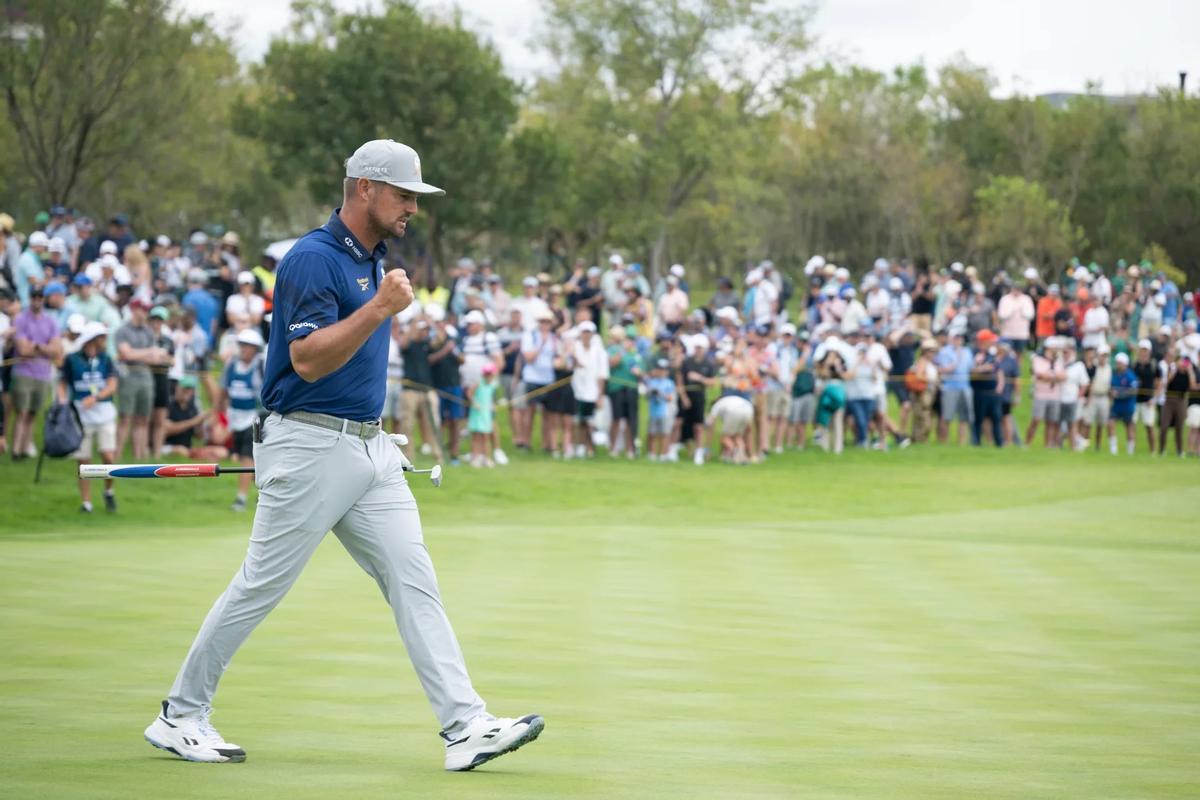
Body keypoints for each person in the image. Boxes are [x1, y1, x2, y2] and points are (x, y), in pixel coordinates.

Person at [144, 140, 542, 771]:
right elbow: (306, 359)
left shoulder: (371, 260)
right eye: (405, 195)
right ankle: (180, 715)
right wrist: (381, 308)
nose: (413, 207)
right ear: (366, 188)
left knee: (415, 582)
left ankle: (465, 726)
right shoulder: (312, 258)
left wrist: (380, 302)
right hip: (306, 442)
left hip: (370, 447)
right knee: (260, 587)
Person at [59, 322, 119, 512]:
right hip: (81, 417)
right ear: (92, 339)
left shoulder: (106, 359)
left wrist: (96, 397)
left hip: (104, 414)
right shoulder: (72, 359)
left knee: (108, 457)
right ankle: (86, 502)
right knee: (84, 461)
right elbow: (63, 383)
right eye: (102, 337)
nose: (105, 341)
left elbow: (111, 385)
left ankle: (109, 491)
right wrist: (62, 402)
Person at [11, 286, 62, 459]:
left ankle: (25, 448)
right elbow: (22, 349)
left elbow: (56, 349)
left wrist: (38, 346)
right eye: (34, 297)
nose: (37, 300)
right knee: (22, 412)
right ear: (30, 298)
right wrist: (43, 348)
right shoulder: (21, 319)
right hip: (24, 372)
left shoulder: (50, 321)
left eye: (40, 297)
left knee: (33, 412)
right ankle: (16, 449)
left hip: (42, 373)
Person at [220, 328, 265, 511]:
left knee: (247, 458)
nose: (245, 349)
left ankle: (240, 498)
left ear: (256, 349)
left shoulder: (261, 366)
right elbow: (223, 391)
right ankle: (264, 492)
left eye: (249, 346)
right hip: (235, 418)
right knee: (251, 462)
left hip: (255, 418)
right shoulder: (231, 365)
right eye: (242, 345)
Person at [115, 298, 161, 460]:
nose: (145, 312)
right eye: (143, 308)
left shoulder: (148, 331)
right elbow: (125, 354)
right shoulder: (123, 330)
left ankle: (138, 456)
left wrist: (137, 354)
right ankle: (117, 455)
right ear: (134, 309)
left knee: (142, 418)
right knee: (125, 417)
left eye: (147, 309)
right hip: (128, 376)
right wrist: (147, 352)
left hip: (146, 376)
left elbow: (155, 358)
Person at [161, 376, 226, 460]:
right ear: (177, 388)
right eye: (185, 389)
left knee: (222, 451)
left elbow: (199, 436)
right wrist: (195, 421)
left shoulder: (192, 408)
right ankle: (201, 457)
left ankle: (200, 456)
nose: (187, 392)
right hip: (168, 446)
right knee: (181, 450)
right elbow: (166, 430)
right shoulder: (169, 406)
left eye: (190, 389)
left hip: (188, 448)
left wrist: (202, 424)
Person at [569, 320, 608, 458]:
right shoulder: (575, 347)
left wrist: (600, 395)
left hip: (593, 391)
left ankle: (590, 447)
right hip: (577, 389)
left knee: (590, 421)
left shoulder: (599, 351)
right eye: (584, 332)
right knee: (578, 420)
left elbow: (602, 374)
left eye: (588, 332)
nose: (586, 335)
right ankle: (579, 446)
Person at [147, 306, 176, 457]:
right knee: (146, 417)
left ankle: (157, 452)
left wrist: (159, 358)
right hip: (148, 377)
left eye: (159, 321)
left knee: (160, 417)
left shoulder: (167, 340)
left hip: (162, 378)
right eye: (154, 320)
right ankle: (144, 450)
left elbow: (172, 360)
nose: (156, 323)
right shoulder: (144, 338)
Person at [936, 331, 973, 446]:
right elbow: (943, 369)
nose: (958, 340)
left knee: (964, 417)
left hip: (965, 387)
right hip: (949, 387)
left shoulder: (967, 351)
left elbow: (970, 368)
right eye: (956, 338)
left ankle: (962, 443)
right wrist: (956, 358)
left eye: (960, 338)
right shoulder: (945, 351)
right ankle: (944, 442)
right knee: (946, 416)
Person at [466, 361, 499, 467]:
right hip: (477, 413)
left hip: (486, 414)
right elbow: (469, 393)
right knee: (476, 436)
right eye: (487, 374)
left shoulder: (492, 385)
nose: (489, 377)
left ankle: (486, 458)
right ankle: (475, 458)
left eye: (491, 375)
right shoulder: (478, 383)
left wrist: (493, 405)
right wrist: (474, 402)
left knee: (486, 436)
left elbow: (491, 397)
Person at [1131, 339, 1161, 454]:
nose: (1143, 352)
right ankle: (1131, 450)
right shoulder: (1134, 365)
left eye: (1146, 350)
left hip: (1148, 401)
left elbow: (1158, 384)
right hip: (1134, 401)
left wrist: (1154, 398)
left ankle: (1152, 451)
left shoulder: (1154, 365)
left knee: (1149, 426)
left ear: (1149, 351)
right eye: (1142, 350)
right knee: (1132, 425)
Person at [705, 393, 754, 463]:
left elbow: (710, 422)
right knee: (737, 436)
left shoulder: (716, 405)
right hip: (748, 408)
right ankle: (743, 456)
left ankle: (736, 453)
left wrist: (708, 447)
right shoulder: (729, 399)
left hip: (734, 411)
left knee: (724, 437)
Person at [645, 358, 676, 460]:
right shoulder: (652, 382)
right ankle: (652, 454)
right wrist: (650, 392)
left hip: (664, 412)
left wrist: (660, 393)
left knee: (664, 434)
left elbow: (670, 398)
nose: (661, 372)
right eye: (659, 369)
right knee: (652, 433)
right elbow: (646, 396)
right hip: (653, 412)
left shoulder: (669, 383)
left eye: (664, 370)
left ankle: (663, 454)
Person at [1108, 352, 1139, 455]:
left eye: (1120, 363)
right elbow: (1111, 387)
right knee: (1111, 424)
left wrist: (1120, 394)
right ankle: (1113, 450)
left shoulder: (1130, 375)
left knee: (1129, 427)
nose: (1118, 365)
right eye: (1117, 363)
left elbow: (1133, 390)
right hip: (1117, 406)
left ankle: (1130, 451)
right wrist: (1111, 393)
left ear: (1125, 364)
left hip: (1127, 406)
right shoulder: (1114, 374)